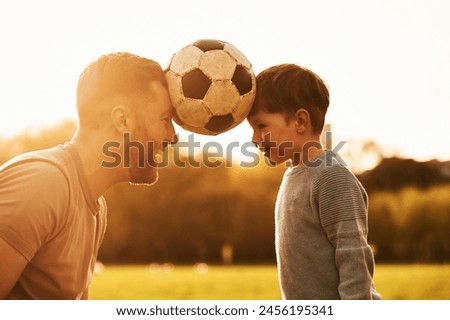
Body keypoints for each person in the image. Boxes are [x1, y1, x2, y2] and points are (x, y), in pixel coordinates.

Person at [0, 52, 177, 299]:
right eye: (165, 119)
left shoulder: (96, 208)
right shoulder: (42, 185)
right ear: (122, 119)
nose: (172, 136)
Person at [247, 64, 381, 299]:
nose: (254, 139)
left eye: (261, 126)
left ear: (300, 121)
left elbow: (354, 258)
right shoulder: (293, 174)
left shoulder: (331, 177)